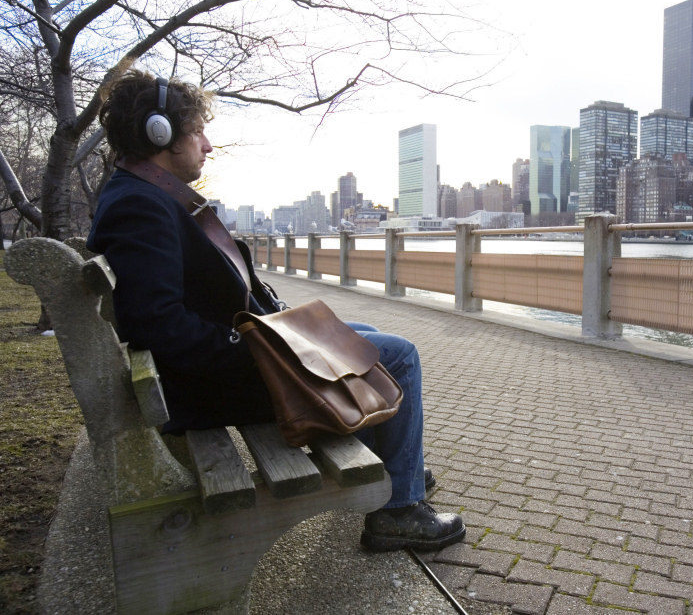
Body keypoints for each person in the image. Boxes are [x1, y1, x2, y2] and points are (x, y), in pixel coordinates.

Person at [87, 70, 465, 552]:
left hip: (198, 376)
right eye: (197, 131)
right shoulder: (139, 207)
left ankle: (396, 462)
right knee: (397, 354)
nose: (207, 144)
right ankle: (398, 512)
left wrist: (278, 333)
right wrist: (272, 353)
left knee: (364, 332)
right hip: (197, 391)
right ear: (158, 133)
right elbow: (159, 327)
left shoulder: (143, 196)